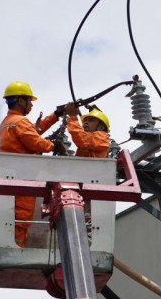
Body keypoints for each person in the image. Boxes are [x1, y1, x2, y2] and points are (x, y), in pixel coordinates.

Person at [0, 80, 63, 247]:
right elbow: (35, 142)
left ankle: (16, 247)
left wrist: (56, 114)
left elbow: (34, 131)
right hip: (23, 178)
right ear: (21, 101)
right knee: (21, 218)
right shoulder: (20, 121)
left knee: (16, 218)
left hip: (13, 177)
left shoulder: (9, 121)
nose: (32, 105)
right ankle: (16, 249)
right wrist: (53, 145)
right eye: (30, 101)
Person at [64, 103, 110, 242]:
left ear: (101, 127)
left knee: (88, 226)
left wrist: (72, 117)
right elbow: (79, 164)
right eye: (85, 120)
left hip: (92, 189)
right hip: (83, 190)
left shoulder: (101, 137)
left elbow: (82, 140)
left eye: (91, 120)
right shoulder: (89, 143)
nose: (85, 123)